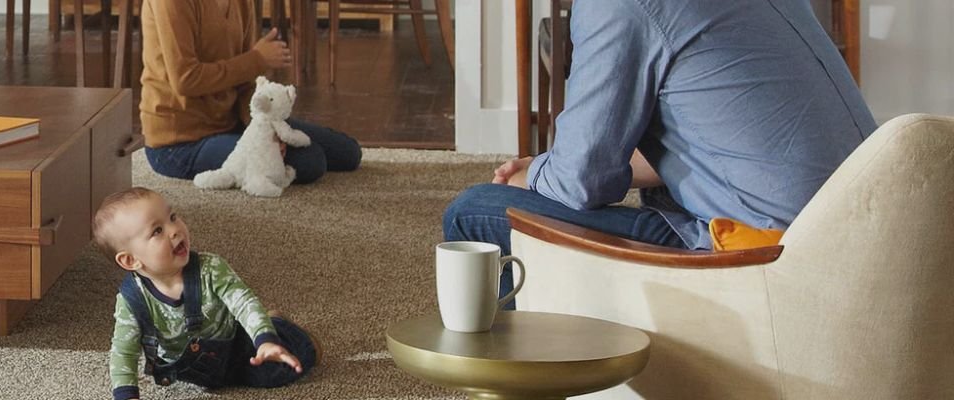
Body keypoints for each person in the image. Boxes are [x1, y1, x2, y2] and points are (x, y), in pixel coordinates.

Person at [442, 0, 877, 305]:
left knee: (475, 212)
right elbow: (714, 139)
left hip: (770, 257)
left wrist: (535, 176)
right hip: (861, 235)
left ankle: (548, 374)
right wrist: (545, 167)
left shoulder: (621, 6)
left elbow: (579, 183)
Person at [94, 187, 320, 400]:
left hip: (234, 346)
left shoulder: (210, 268)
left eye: (172, 217)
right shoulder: (131, 299)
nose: (174, 230)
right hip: (187, 368)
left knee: (285, 367)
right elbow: (123, 351)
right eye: (157, 231)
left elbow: (244, 302)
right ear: (130, 260)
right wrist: (126, 395)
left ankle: (277, 325)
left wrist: (265, 341)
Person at [140, 0, 361, 184]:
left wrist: (263, 129)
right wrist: (257, 60)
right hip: (180, 145)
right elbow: (185, 79)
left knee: (348, 153)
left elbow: (245, 81)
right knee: (311, 161)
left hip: (231, 123)